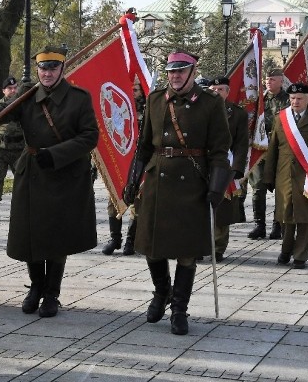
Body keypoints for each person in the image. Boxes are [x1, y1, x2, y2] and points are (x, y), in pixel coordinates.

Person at [0, 45, 99, 318]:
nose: (47, 73)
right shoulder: (29, 95)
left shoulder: (79, 99)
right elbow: (8, 107)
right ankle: (35, 287)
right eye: (43, 68)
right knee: (30, 234)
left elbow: (90, 137)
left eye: (53, 67)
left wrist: (55, 155)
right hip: (31, 172)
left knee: (56, 237)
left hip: (63, 174)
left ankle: (51, 294)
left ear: (63, 69)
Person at [122, 50, 231, 335]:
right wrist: (133, 179)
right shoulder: (156, 100)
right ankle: (161, 292)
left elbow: (220, 150)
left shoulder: (210, 103)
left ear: (193, 72)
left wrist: (217, 186)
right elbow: (144, 145)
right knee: (150, 246)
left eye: (181, 71)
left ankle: (179, 309)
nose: (175, 76)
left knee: (186, 253)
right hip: (158, 180)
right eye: (171, 71)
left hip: (192, 183)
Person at [263, 82, 308, 268]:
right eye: (292, 98)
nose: (295, 102)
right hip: (284, 175)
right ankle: (286, 250)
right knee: (286, 216)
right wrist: (268, 177)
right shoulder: (281, 118)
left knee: (306, 217)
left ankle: (301, 255)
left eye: (300, 99)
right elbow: (273, 150)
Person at [102, 79, 145, 256]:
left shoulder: (148, 109)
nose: (134, 92)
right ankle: (115, 239)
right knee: (113, 199)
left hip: (138, 160)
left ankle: (130, 241)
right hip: (119, 157)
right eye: (131, 88)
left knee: (136, 202)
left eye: (136, 89)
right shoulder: (121, 106)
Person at [208, 76, 249, 262]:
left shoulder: (238, 114)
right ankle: (200, 244)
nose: (217, 93)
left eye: (221, 90)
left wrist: (237, 169)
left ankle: (218, 247)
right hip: (203, 164)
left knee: (222, 209)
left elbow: (241, 144)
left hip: (226, 165)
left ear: (227, 92)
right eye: (213, 89)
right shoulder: (200, 110)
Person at [247, 68, 289, 241]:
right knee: (257, 188)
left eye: (272, 79)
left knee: (280, 189)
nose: (268, 82)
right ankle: (259, 225)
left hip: (279, 150)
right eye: (266, 79)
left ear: (281, 81)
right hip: (260, 149)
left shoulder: (288, 100)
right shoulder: (259, 100)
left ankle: (277, 226)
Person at [0, 76, 25, 222]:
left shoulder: (22, 104)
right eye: (10, 88)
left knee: (22, 180)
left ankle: (23, 209)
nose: (13, 91)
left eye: (15, 88)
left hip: (19, 148)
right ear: (3, 91)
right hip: (1, 148)